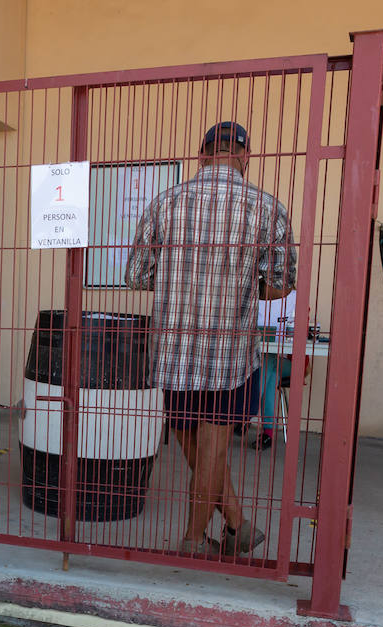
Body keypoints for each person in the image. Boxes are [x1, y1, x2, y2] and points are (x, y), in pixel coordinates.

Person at [125, 121, 297, 555]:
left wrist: (179, 280)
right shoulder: (266, 207)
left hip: (172, 349)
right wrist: (241, 285)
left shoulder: (165, 203)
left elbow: (136, 278)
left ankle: (230, 527)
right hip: (227, 353)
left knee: (189, 436)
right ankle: (200, 536)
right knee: (213, 445)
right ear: (244, 157)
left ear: (201, 155)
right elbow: (281, 283)